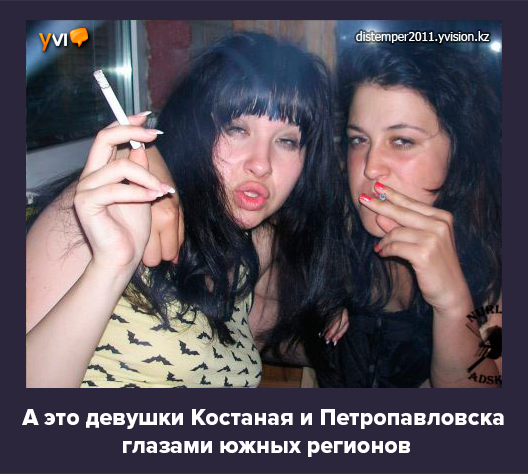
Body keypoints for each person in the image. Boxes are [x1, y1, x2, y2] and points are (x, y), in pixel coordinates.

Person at [26, 32, 348, 388]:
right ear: (196, 130)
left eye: (286, 141)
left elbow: (267, 334)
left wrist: (331, 315)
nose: (261, 164)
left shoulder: (249, 248)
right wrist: (111, 266)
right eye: (237, 129)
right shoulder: (101, 209)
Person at [317, 43, 502, 388]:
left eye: (402, 141)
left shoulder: (497, 259)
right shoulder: (332, 231)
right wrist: (316, 301)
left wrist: (452, 303)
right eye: (358, 140)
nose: (371, 167)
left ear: (458, 152)